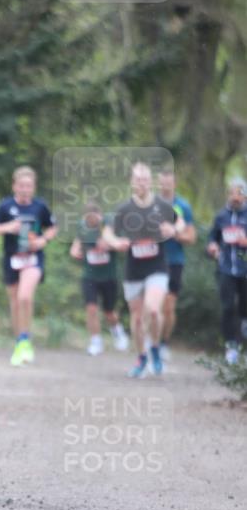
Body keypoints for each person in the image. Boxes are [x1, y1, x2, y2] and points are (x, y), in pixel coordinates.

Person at [103, 162, 183, 378]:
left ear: (151, 182)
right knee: (137, 318)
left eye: (145, 179)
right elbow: (107, 232)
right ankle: (141, 357)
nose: (142, 183)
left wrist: (173, 229)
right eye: (138, 179)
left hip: (157, 267)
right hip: (133, 270)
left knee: (154, 310)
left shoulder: (162, 205)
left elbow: (181, 223)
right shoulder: (124, 209)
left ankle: (155, 347)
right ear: (131, 182)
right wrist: (115, 242)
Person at [0, 166, 57, 365]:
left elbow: (53, 228)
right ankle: (20, 342)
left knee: (24, 296)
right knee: (15, 302)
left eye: (29, 186)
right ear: (14, 186)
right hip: (12, 259)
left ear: (33, 188)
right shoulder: (5, 206)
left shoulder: (40, 207)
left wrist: (43, 240)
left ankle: (25, 339)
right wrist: (8, 227)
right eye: (22, 185)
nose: (25, 189)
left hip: (33, 258)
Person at [69, 202, 129, 355]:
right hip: (90, 276)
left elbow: (121, 244)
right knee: (91, 309)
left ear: (99, 216)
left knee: (109, 312)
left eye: (94, 219)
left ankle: (117, 331)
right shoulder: (82, 227)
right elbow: (76, 245)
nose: (92, 222)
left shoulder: (108, 226)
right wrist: (75, 251)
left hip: (108, 276)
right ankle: (95, 341)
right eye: (89, 219)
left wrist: (109, 245)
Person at [157, 170, 197, 361]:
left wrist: (174, 233)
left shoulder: (183, 206)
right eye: (162, 182)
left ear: (174, 183)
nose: (165, 185)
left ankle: (163, 343)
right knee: (153, 306)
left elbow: (191, 237)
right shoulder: (151, 204)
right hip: (152, 261)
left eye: (169, 182)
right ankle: (151, 342)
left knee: (168, 307)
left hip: (174, 261)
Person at [207, 178, 247, 365]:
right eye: (232, 193)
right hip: (225, 269)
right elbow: (212, 238)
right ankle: (230, 346)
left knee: (244, 308)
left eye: (239, 193)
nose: (235, 197)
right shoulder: (221, 217)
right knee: (227, 307)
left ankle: (243, 340)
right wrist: (212, 247)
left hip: (245, 269)